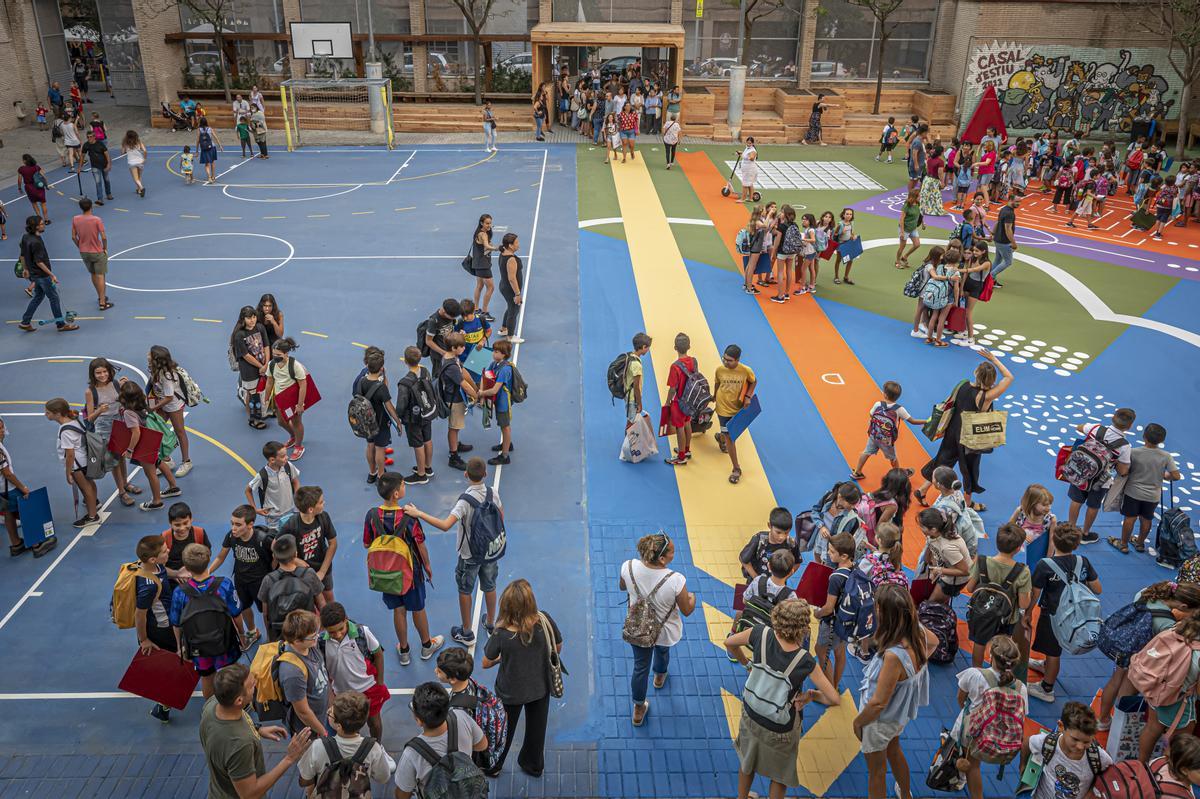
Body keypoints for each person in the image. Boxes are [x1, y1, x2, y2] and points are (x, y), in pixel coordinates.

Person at [724, 598, 841, 799]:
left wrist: (747, 664)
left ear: (776, 618)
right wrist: (811, 695)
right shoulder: (805, 661)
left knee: (747, 762)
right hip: (781, 726)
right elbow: (834, 698)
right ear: (803, 629)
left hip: (751, 713)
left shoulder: (759, 633)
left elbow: (729, 642)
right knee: (779, 775)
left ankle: (742, 796)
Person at [405, 456, 502, 646]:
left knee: (465, 590)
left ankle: (467, 632)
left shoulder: (464, 501)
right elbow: (500, 516)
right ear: (486, 474)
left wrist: (420, 513)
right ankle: (491, 624)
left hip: (469, 554)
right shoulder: (493, 493)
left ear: (466, 474)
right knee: (490, 586)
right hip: (490, 551)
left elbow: (445, 525)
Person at [855, 583, 937, 799]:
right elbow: (935, 642)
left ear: (885, 614)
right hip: (898, 716)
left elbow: (878, 703)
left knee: (876, 772)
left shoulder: (893, 656)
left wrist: (858, 722)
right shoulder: (917, 632)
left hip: (879, 721)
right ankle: (905, 794)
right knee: (894, 750)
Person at [481, 579, 562, 777]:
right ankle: (533, 765)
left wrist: (504, 659)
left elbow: (486, 661)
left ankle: (495, 766)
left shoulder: (501, 634)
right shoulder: (544, 620)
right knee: (537, 730)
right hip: (540, 687)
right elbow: (557, 647)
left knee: (504, 731)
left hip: (511, 692)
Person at [916, 349, 1013, 511]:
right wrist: (994, 359)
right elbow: (1009, 377)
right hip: (970, 438)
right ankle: (967, 505)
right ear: (993, 379)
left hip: (953, 430)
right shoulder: (987, 396)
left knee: (943, 460)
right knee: (969, 471)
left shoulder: (963, 385)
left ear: (976, 373)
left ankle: (922, 490)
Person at [362, 472, 444, 664]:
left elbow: (367, 544)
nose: (405, 487)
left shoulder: (372, 515)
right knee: (418, 608)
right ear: (396, 494)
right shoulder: (409, 517)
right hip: (411, 573)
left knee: (398, 610)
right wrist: (428, 566)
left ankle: (404, 650)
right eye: (403, 485)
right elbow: (421, 545)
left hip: (386, 573)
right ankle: (426, 646)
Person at [200, 664, 312, 799]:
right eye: (252, 685)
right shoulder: (240, 744)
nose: (256, 685)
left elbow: (229, 727)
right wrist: (289, 758)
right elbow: (249, 794)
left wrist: (257, 729)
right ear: (239, 700)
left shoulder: (212, 705)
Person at [620, 532, 696, 726]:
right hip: (664, 630)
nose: (674, 554)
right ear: (661, 558)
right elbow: (687, 610)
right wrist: (692, 598)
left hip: (638, 628)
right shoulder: (676, 580)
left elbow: (622, 587)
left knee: (640, 667)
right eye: (671, 552)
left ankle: (638, 709)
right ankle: (660, 676)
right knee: (662, 651)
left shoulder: (627, 567)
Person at [1026, 524, 1102, 703]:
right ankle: (1046, 666)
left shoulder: (1045, 565)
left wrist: (1028, 613)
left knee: (1053, 652)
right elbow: (1097, 589)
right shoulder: (1083, 561)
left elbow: (1035, 594)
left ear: (1053, 540)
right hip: (1075, 614)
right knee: (1054, 649)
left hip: (1053, 614)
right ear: (1076, 545)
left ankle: (1047, 688)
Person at [952, 636, 1026, 799]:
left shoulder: (974, 675)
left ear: (991, 656)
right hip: (1001, 736)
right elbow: (1022, 715)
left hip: (973, 732)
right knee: (975, 765)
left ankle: (972, 791)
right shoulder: (1021, 687)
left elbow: (960, 698)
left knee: (972, 766)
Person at [170, 543, 243, 698]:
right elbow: (236, 614)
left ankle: (210, 710)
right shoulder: (224, 584)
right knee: (230, 673)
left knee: (207, 677)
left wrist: (179, 646)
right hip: (225, 642)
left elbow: (176, 624)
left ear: (186, 567)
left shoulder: (180, 593)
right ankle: (236, 704)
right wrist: (242, 635)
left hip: (198, 646)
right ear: (209, 560)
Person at [395, 682, 489, 798]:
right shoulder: (461, 717)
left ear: (419, 720)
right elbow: (482, 745)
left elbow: (402, 795)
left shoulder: (412, 754)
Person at [297, 691, 394, 793]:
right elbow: (383, 777)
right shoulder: (373, 748)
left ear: (339, 726)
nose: (328, 712)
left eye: (331, 713)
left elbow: (304, 781)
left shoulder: (318, 746)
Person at [317, 602, 389, 739]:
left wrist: (379, 682)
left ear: (346, 620)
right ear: (324, 628)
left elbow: (378, 654)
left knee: (374, 722)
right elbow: (323, 668)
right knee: (348, 727)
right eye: (332, 632)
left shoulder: (362, 632)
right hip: (341, 693)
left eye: (341, 629)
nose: (337, 634)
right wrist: (330, 694)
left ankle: (376, 746)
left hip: (368, 688)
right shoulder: (321, 641)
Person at [964, 524, 1030, 666]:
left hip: (981, 612)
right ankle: (997, 671)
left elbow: (969, 588)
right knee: (1003, 645)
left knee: (979, 643)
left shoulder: (981, 561)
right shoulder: (1023, 571)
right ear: (1018, 548)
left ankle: (977, 672)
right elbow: (1024, 604)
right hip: (1007, 617)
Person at [1066, 407, 1135, 543]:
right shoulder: (1125, 446)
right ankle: (1085, 534)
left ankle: (1070, 529)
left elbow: (1079, 427)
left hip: (1081, 473)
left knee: (1076, 501)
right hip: (1101, 481)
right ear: (1130, 426)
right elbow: (1122, 470)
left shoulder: (1096, 428)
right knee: (1093, 506)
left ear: (1112, 418)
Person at [1112, 423, 1182, 553]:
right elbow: (1176, 476)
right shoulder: (1166, 456)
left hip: (1132, 493)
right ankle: (1139, 544)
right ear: (1162, 441)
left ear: (1144, 437)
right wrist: (1165, 475)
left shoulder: (1134, 452)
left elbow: (1124, 470)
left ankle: (1123, 544)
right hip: (1153, 496)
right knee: (1147, 519)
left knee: (1129, 518)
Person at [209, 504, 272, 649]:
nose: (233, 528)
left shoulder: (262, 539)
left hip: (260, 582)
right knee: (243, 607)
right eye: (232, 523)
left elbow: (276, 556)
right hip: (241, 579)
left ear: (250, 525)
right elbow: (220, 557)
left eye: (238, 524)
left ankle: (271, 638)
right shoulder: (232, 536)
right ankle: (252, 632)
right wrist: (207, 572)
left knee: (266, 612)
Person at [1020, 702, 1111, 799]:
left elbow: (1110, 774)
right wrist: (1022, 767)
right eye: (1075, 739)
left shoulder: (1098, 757)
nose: (1080, 746)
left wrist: (1091, 793)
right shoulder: (1049, 743)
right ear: (1061, 726)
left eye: (1086, 742)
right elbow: (1027, 743)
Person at [132, 534, 176, 722]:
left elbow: (164, 572)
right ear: (152, 559)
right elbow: (139, 614)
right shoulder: (148, 586)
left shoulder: (154, 567)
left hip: (165, 623)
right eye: (165, 551)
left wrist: (178, 573)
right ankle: (164, 705)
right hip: (160, 629)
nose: (169, 552)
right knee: (168, 666)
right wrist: (144, 639)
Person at [851, 381, 926, 479]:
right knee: (893, 458)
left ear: (884, 394)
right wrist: (925, 421)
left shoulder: (878, 404)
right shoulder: (899, 409)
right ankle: (899, 476)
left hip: (874, 434)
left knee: (866, 452)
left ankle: (857, 472)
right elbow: (912, 421)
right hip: (886, 441)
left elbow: (871, 415)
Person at [257, 535, 322, 642]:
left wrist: (270, 636)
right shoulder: (309, 574)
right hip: (307, 632)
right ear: (296, 554)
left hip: (281, 634)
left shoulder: (269, 580)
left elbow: (266, 613)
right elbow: (321, 604)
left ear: (274, 556)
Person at [278, 485, 337, 605]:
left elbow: (333, 543)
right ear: (311, 509)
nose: (324, 503)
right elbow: (276, 546)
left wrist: (322, 571)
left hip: (322, 566)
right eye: (321, 502)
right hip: (302, 572)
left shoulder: (323, 517)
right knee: (310, 601)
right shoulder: (292, 525)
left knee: (329, 598)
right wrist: (295, 560)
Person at [813, 532, 858, 688]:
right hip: (848, 621)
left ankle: (829, 687)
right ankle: (836, 683)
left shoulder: (836, 577)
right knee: (840, 651)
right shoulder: (856, 569)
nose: (828, 554)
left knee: (820, 650)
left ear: (844, 556)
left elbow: (828, 607)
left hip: (832, 623)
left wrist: (817, 614)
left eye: (832, 552)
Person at [44, 398, 99, 526]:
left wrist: (68, 472)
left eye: (48, 412)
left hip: (77, 465)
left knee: (85, 489)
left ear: (57, 413)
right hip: (85, 460)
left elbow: (70, 455)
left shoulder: (65, 431)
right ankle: (94, 506)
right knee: (90, 484)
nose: (45, 414)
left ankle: (92, 516)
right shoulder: (74, 421)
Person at [276, 609, 330, 737]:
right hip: (309, 729)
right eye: (312, 637)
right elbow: (303, 712)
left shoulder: (310, 646)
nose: (317, 637)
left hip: (320, 716)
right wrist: (322, 732)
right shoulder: (292, 672)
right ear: (296, 641)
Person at [355, 347, 403, 482]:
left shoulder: (362, 381)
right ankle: (381, 475)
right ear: (381, 368)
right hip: (380, 421)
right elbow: (389, 407)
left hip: (366, 421)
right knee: (380, 449)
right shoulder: (381, 387)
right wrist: (398, 421)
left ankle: (372, 472)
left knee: (370, 445)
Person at [712, 344, 756, 484]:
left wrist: (748, 397)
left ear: (737, 360)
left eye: (729, 360)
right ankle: (736, 469)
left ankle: (721, 437)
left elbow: (753, 381)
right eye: (724, 359)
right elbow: (717, 384)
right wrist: (714, 397)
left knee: (732, 433)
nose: (725, 362)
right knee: (731, 437)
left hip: (737, 409)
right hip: (722, 408)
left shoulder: (746, 370)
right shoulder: (719, 370)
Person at [146, 345, 192, 477]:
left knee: (180, 431)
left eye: (150, 353)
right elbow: (152, 384)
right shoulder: (153, 368)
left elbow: (169, 397)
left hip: (173, 405)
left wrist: (153, 407)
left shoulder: (167, 375)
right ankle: (167, 460)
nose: (147, 354)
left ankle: (186, 462)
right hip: (162, 403)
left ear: (155, 358)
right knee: (155, 430)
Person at [263, 338, 309, 461]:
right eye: (274, 354)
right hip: (280, 399)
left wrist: (300, 404)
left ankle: (299, 446)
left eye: (278, 355)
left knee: (296, 422)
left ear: (286, 354)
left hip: (293, 400)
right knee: (281, 422)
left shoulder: (295, 366)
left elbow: (303, 385)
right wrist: (266, 398)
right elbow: (269, 382)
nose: (275, 357)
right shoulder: (272, 365)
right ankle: (293, 436)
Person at [0, 416, 38, 556]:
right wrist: (22, 488)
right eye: (0, 428)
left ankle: (16, 543)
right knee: (26, 512)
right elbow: (7, 474)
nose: (3, 430)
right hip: (8, 488)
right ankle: (36, 542)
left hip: (1, 490)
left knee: (8, 513)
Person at [917, 507, 971, 604]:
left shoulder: (947, 547)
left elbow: (965, 571)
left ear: (933, 529)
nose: (919, 528)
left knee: (932, 603)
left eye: (922, 526)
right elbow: (932, 544)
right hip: (945, 571)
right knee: (936, 599)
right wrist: (927, 559)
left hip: (955, 579)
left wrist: (939, 570)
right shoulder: (933, 535)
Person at [68, 198, 112, 313]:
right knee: (101, 275)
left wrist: (80, 246)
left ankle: (100, 296)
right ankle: (102, 302)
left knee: (93, 274)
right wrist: (105, 248)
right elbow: (103, 237)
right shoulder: (97, 220)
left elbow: (73, 236)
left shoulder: (75, 219)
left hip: (84, 252)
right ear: (91, 206)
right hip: (97, 251)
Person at [245, 441, 299, 533]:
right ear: (272, 460)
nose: (287, 458)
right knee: (276, 541)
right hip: (274, 518)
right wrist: (255, 509)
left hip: (291, 511)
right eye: (283, 456)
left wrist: (298, 500)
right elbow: (248, 490)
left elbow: (295, 482)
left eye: (286, 455)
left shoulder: (288, 466)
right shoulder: (262, 475)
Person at [479, 340, 518, 466]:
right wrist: (481, 389)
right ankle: (507, 444)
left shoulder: (505, 369)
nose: (493, 353)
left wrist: (481, 394)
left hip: (503, 403)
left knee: (505, 426)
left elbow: (495, 389)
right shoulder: (494, 364)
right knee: (502, 424)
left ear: (504, 354)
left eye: (496, 352)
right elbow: (484, 375)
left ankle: (505, 455)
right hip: (497, 400)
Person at [230, 306, 269, 429]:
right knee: (252, 395)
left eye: (254, 317)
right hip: (249, 370)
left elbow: (266, 345)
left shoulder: (260, 327)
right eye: (249, 318)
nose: (252, 320)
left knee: (261, 391)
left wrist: (266, 363)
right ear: (243, 319)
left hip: (263, 366)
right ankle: (253, 419)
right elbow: (246, 356)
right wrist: (261, 366)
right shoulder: (239, 335)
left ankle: (260, 414)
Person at [663, 333, 696, 467]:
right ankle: (687, 449)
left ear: (675, 347)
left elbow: (672, 388)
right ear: (689, 346)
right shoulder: (694, 361)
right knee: (687, 423)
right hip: (690, 399)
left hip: (679, 402)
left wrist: (667, 402)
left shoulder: (675, 366)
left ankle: (681, 457)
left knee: (679, 427)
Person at [161, 502, 212, 582]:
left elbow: (207, 555)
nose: (182, 528)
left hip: (196, 577)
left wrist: (192, 570)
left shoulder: (199, 533)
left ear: (191, 519)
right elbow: (159, 566)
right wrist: (177, 574)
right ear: (170, 523)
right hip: (172, 579)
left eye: (185, 523)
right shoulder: (165, 537)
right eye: (177, 525)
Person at [496, 232, 525, 343]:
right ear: (510, 245)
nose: (518, 244)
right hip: (510, 289)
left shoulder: (503, 252)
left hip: (504, 286)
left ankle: (504, 329)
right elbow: (512, 278)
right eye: (516, 243)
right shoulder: (511, 259)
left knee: (510, 306)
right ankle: (510, 336)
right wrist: (517, 294)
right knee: (514, 310)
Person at [470, 215, 499, 320]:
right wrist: (497, 248)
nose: (489, 225)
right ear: (481, 223)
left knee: (479, 285)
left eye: (490, 223)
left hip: (477, 264)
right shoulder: (483, 234)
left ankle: (476, 309)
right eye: (487, 223)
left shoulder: (479, 233)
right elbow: (486, 246)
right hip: (483, 265)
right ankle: (484, 312)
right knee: (491, 287)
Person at [990, 194, 1020, 285]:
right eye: (1017, 201)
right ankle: (991, 277)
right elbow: (1008, 229)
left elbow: (998, 222)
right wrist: (1013, 243)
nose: (1019, 204)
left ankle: (987, 277)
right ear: (1011, 200)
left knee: (998, 259)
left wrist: (993, 233)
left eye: (1019, 202)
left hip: (998, 239)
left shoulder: (1003, 209)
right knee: (1008, 262)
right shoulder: (1010, 213)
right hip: (1004, 241)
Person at [78, 129, 112, 205]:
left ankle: (108, 194)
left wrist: (109, 164)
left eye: (91, 137)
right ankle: (100, 199)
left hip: (104, 165)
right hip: (95, 166)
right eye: (88, 137)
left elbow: (107, 154)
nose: (89, 138)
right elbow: (82, 156)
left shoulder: (100, 144)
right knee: (98, 182)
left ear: (94, 137)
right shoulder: (86, 145)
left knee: (106, 180)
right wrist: (80, 167)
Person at [17, 154, 50, 223]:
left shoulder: (21, 169)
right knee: (43, 203)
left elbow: (19, 180)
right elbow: (43, 177)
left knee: (34, 203)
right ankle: (46, 220)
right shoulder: (37, 167)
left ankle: (39, 220)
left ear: (25, 161)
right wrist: (46, 185)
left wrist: (19, 188)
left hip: (29, 188)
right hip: (39, 186)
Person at [895, 190, 923, 269]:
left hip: (913, 228)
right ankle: (897, 261)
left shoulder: (917, 203)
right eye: (919, 196)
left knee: (917, 244)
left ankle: (905, 257)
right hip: (905, 229)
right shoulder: (906, 206)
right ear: (914, 197)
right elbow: (901, 220)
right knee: (902, 247)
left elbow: (919, 214)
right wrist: (902, 232)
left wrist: (923, 223)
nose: (920, 197)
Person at [196, 116, 222, 184]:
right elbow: (215, 137)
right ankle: (213, 176)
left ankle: (209, 177)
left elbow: (198, 140)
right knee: (212, 162)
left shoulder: (199, 129)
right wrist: (220, 145)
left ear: (200, 123)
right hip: (212, 147)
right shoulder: (210, 129)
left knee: (207, 164)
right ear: (206, 122)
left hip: (204, 148)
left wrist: (197, 151)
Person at [121, 130, 147, 197]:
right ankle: (138, 190)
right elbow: (145, 150)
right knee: (139, 177)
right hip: (140, 161)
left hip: (132, 162)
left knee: (135, 178)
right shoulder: (138, 142)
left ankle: (141, 188)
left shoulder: (125, 143)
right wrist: (144, 159)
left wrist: (125, 150)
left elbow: (122, 152)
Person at [739, 138, 758, 203]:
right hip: (747, 169)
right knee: (750, 184)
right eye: (747, 142)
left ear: (752, 143)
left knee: (745, 184)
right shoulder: (747, 148)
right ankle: (750, 198)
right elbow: (746, 155)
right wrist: (741, 153)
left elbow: (752, 157)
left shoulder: (752, 150)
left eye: (750, 143)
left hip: (749, 170)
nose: (748, 144)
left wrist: (751, 157)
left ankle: (743, 199)